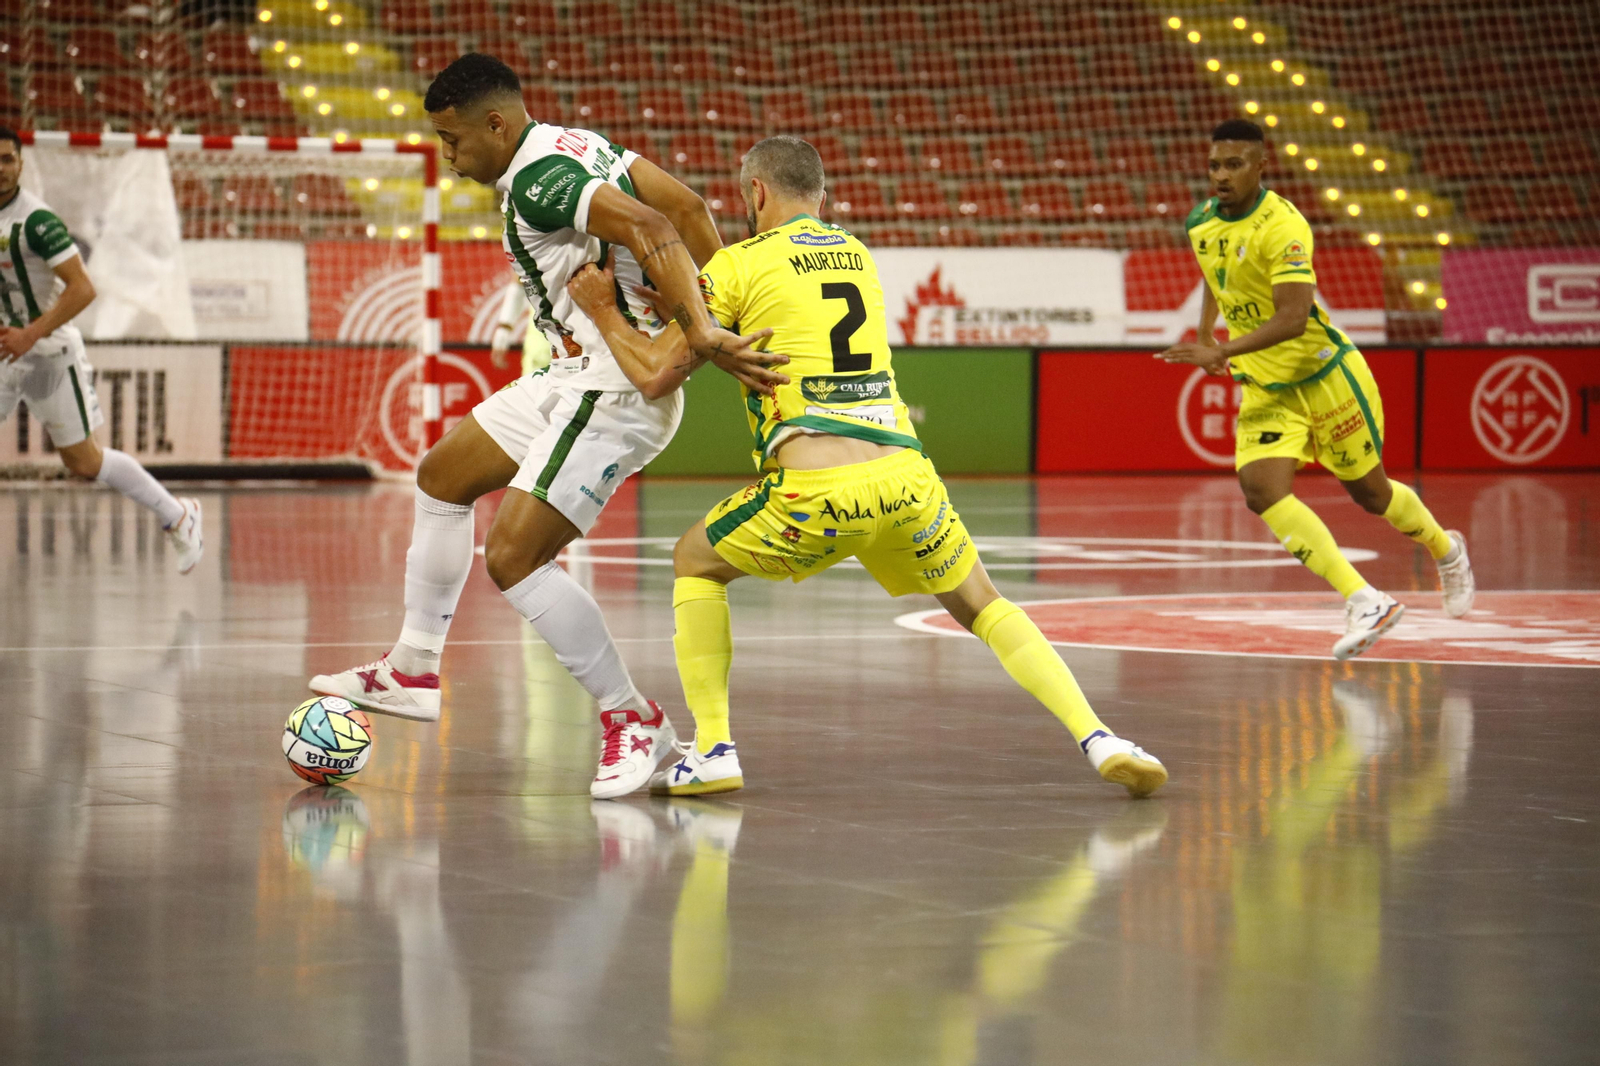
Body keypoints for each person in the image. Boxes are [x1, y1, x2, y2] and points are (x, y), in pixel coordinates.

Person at [572, 136, 1167, 800]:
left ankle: (712, 749)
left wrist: (603, 308)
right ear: (821, 198)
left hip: (817, 490)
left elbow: (657, 370)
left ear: (755, 194)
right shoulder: (856, 256)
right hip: (907, 479)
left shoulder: (738, 265)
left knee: (695, 561)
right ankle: (1100, 736)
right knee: (982, 603)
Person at [309, 54, 787, 800]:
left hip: (613, 386)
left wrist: (701, 327)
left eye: (453, 138)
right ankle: (411, 668)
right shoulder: (578, 145)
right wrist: (721, 312)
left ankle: (633, 718)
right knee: (441, 477)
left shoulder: (538, 179)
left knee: (513, 558)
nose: (448, 155)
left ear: (495, 124)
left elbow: (656, 223)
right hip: (572, 374)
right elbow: (692, 210)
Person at [1158, 119, 1474, 659]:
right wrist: (1207, 330)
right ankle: (1364, 599)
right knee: (1261, 491)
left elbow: (1294, 318)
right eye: (1214, 165)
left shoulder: (1284, 227)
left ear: (1262, 167)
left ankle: (1446, 549)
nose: (1221, 175)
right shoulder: (1201, 223)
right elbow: (1216, 275)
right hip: (1266, 386)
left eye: (1234, 165)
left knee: (1372, 495)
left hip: (1325, 377)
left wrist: (1220, 352)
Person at [0, 126, 202, 572]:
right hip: (4, 354)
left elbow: (83, 288)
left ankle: (179, 515)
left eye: (8, 160)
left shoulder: (36, 221)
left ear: (21, 164)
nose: (1, 169)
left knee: (83, 460)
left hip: (46, 355)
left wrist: (30, 334)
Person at [487, 278, 553, 375]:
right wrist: (503, 332)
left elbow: (519, 283)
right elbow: (519, 284)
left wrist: (502, 333)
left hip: (545, 345)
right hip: (543, 346)